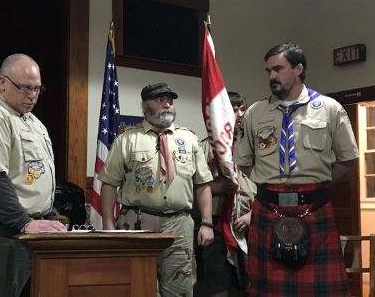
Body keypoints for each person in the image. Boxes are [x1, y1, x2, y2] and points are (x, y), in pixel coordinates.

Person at [233, 43, 359, 296]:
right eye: (268, 71)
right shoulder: (255, 113)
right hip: (268, 208)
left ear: (298, 68)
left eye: (278, 69)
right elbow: (244, 162)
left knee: (320, 291)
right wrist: (270, 184)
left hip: (315, 208)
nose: (272, 77)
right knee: (268, 290)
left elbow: (348, 160)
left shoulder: (330, 109)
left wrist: (314, 188)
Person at [98, 82, 214, 296]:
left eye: (170, 100)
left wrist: (207, 222)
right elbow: (109, 183)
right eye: (160, 100)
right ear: (145, 106)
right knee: (139, 286)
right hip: (138, 222)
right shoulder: (127, 140)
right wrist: (108, 224)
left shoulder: (188, 139)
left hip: (179, 224)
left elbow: (203, 183)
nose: (167, 104)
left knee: (180, 288)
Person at [0, 54, 67, 297]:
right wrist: (25, 222)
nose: (32, 95)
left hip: (32, 231)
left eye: (37, 88)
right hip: (2, 233)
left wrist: (47, 217)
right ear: (2, 83)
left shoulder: (34, 122)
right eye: (25, 88)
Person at [194, 92, 255, 297]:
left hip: (246, 221)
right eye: (233, 109)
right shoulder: (204, 147)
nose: (238, 114)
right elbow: (194, 187)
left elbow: (266, 186)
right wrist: (219, 187)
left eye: (241, 109)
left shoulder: (255, 148)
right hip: (216, 221)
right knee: (217, 279)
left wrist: (251, 216)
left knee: (246, 280)